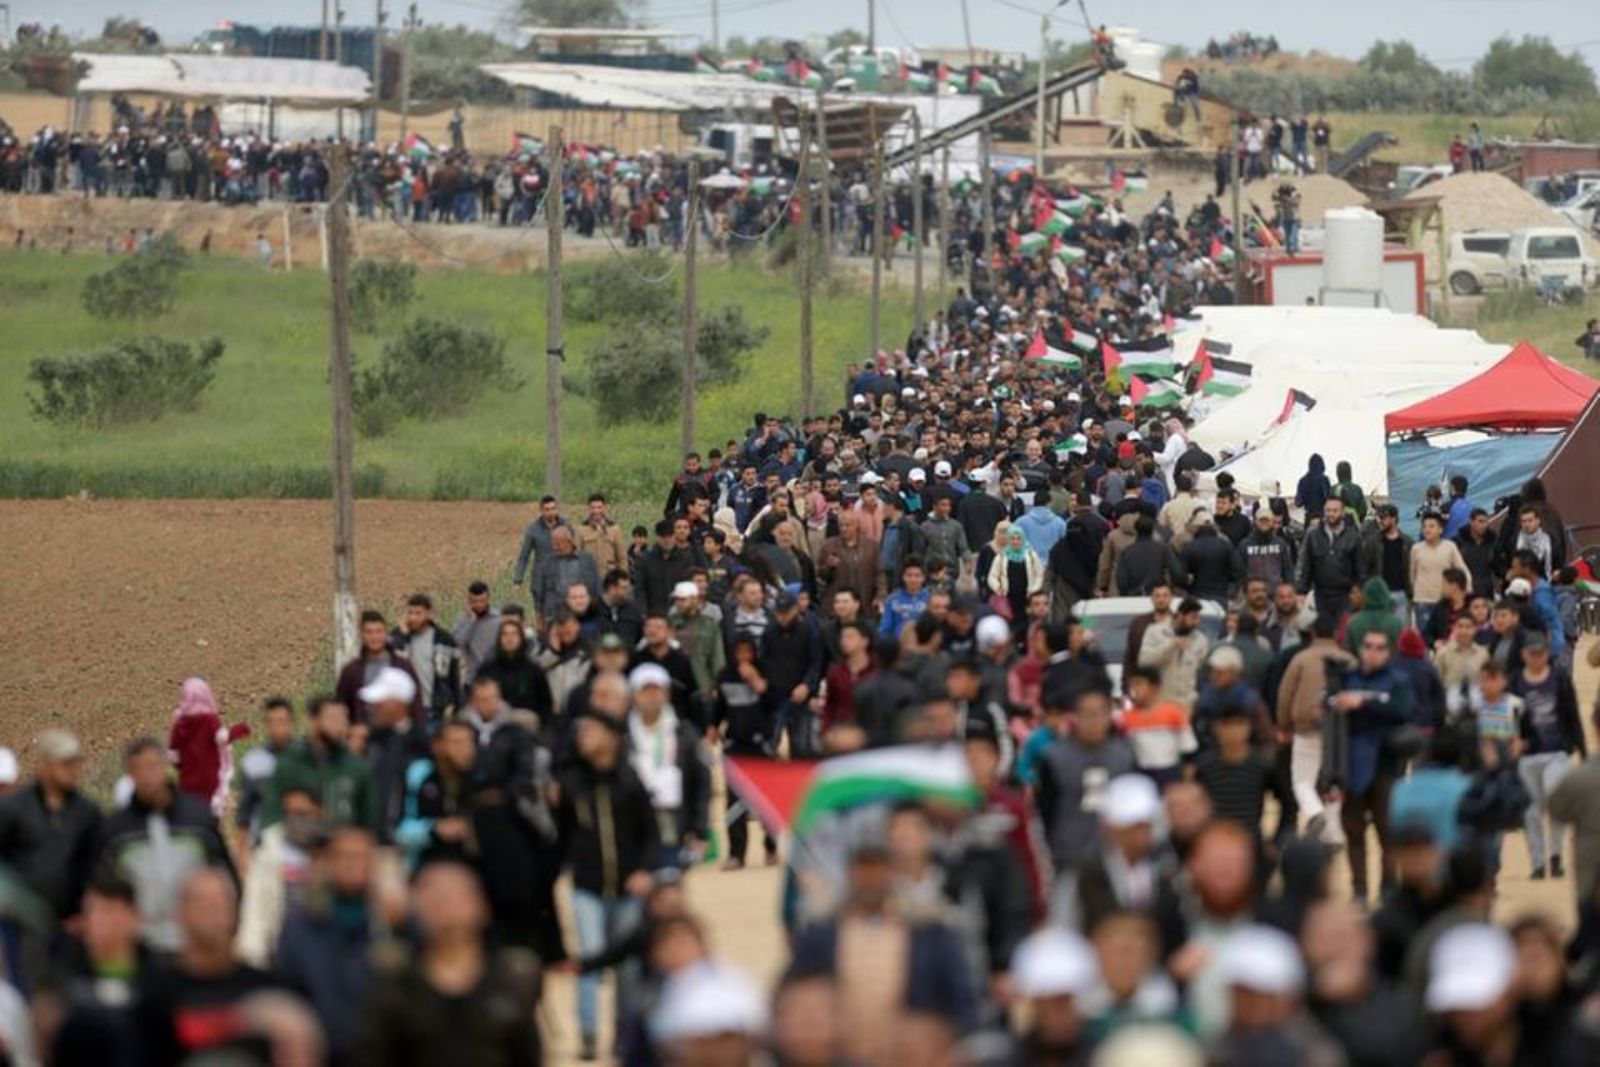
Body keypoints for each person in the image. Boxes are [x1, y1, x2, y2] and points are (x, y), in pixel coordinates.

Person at [356, 862, 543, 1067]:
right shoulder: (392, 983)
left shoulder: (513, 980)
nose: (446, 908)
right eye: (434, 899)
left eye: (456, 897)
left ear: (482, 905)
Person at [555, 710, 659, 1060]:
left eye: (591, 731)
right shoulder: (571, 783)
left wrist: (644, 870)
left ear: (612, 738)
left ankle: (623, 1035)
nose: (583, 736)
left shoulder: (629, 780)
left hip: (628, 889)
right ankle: (588, 1033)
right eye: (581, 731)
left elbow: (650, 833)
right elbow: (562, 833)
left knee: (628, 967)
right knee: (590, 958)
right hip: (587, 888)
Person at [99, 739, 237, 954]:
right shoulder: (116, 831)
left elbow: (224, 876)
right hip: (141, 945)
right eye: (137, 769)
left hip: (193, 942)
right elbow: (103, 890)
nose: (146, 777)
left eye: (152, 766)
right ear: (129, 774)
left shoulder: (197, 819)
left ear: (165, 766)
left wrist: (228, 928)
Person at [1327, 631, 1411, 903]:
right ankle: (1359, 889)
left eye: (1379, 647)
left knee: (1388, 832)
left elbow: (1403, 711)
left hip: (1386, 765)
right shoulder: (1346, 679)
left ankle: (1389, 888)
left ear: (1388, 652)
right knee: (1353, 831)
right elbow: (1330, 716)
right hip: (1350, 765)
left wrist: (1365, 703)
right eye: (1368, 646)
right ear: (1360, 649)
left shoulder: (1398, 681)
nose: (1373, 652)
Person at [1511, 633, 1584, 879]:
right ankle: (1538, 862)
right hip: (1528, 754)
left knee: (1555, 802)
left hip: (1557, 752)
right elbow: (1507, 719)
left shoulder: (1559, 678)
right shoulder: (1515, 682)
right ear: (1524, 655)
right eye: (1532, 654)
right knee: (1532, 811)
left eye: (1540, 653)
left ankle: (1555, 855)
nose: (1536, 658)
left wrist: (1580, 748)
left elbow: (1572, 714)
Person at [391, 593, 461, 723]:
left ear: (429, 613)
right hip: (405, 710)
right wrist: (402, 637)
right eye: (410, 613)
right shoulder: (397, 637)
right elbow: (390, 664)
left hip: (434, 710)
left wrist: (457, 707)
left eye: (418, 613)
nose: (413, 618)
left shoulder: (444, 640)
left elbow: (453, 677)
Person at [1297, 497, 1365, 621]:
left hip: (1345, 596)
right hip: (1321, 595)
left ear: (1342, 513)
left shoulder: (1353, 536)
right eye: (1328, 510)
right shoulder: (1313, 536)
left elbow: (1360, 568)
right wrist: (1301, 592)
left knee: (1343, 630)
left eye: (1335, 511)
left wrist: (1360, 590)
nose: (1331, 514)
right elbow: (1306, 566)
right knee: (1323, 630)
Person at [452, 580, 501, 683]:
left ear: (488, 599)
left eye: (482, 600)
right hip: (472, 679)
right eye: (474, 601)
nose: (478, 605)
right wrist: (470, 622)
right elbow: (456, 645)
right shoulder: (463, 619)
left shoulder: (498, 619)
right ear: (468, 601)